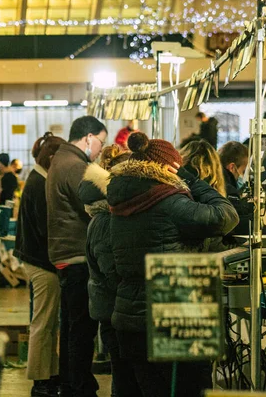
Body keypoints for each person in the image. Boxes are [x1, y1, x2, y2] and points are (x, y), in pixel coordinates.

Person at [107, 132, 238, 397]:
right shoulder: (169, 201)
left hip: (130, 317)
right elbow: (227, 216)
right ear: (169, 170)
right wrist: (192, 180)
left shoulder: (121, 197)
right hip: (171, 315)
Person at [46, 115, 107, 397]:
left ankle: (72, 383)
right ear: (88, 138)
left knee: (72, 326)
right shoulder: (75, 166)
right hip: (76, 256)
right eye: (101, 144)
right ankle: (79, 386)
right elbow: (94, 201)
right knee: (82, 329)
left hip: (65, 254)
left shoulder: (61, 160)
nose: (100, 151)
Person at [78, 145, 142, 397]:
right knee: (125, 380)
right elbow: (112, 271)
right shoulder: (106, 219)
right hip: (114, 311)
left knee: (127, 378)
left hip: (117, 309)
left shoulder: (111, 215)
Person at [14, 132, 64, 397]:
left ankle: (50, 374)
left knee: (49, 324)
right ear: (52, 158)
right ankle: (39, 380)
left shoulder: (38, 180)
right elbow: (47, 229)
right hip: (41, 264)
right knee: (43, 323)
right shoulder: (38, 184)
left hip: (39, 261)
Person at [218, 141, 266, 237]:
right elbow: (241, 224)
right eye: (244, 171)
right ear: (232, 167)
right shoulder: (225, 188)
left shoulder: (218, 182)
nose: (245, 176)